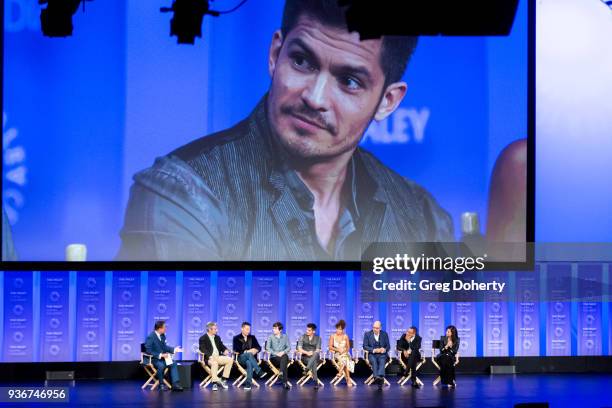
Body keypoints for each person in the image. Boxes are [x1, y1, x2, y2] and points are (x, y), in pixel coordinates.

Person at [117, 0, 454, 262]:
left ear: (388, 102)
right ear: (276, 54)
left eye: (349, 81)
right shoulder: (185, 194)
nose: (314, 97)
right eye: (302, 62)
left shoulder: (421, 214)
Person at [144, 320, 184, 391]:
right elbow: (148, 350)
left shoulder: (162, 335)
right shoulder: (150, 337)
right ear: (159, 328)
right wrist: (160, 355)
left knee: (173, 363)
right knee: (161, 365)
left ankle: (175, 384)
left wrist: (174, 349)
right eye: (164, 327)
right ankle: (161, 384)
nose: (166, 329)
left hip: (162, 358)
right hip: (153, 359)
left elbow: (164, 347)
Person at [199, 322, 233, 391]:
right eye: (215, 329)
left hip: (218, 357)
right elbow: (202, 349)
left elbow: (221, 346)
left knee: (230, 360)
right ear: (209, 329)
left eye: (216, 329)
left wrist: (225, 350)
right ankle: (214, 383)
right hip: (209, 358)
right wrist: (209, 356)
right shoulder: (203, 338)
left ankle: (223, 379)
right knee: (214, 363)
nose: (217, 330)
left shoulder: (217, 337)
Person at [232, 321, 267, 390]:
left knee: (249, 362)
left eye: (249, 329)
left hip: (251, 359)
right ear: (242, 329)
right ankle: (259, 371)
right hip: (241, 358)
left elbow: (259, 347)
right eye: (247, 329)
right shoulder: (236, 338)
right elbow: (236, 349)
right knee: (248, 354)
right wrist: (247, 351)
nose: (248, 331)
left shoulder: (252, 337)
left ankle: (248, 384)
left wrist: (255, 350)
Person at [363, 320, 390, 389]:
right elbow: (365, 346)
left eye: (377, 328)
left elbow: (388, 346)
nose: (375, 329)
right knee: (374, 361)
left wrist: (384, 349)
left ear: (380, 328)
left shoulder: (385, 334)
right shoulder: (367, 334)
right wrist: (374, 350)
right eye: (374, 327)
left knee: (382, 360)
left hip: (382, 354)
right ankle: (378, 378)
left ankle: (379, 377)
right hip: (372, 354)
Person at [265, 321, 292, 389]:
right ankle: (284, 382)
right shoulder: (270, 337)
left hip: (283, 357)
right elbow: (268, 348)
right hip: (274, 358)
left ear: (280, 330)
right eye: (273, 328)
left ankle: (281, 374)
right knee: (285, 359)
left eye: (275, 328)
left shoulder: (285, 336)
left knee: (284, 357)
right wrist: (276, 353)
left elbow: (288, 347)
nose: (273, 330)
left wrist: (283, 352)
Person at [328, 319, 353, 387]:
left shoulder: (345, 336)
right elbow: (330, 347)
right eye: (337, 329)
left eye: (340, 329)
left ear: (343, 330)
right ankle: (348, 379)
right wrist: (338, 350)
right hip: (336, 354)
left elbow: (348, 347)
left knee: (345, 357)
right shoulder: (332, 336)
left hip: (345, 353)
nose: (338, 331)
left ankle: (340, 372)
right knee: (345, 360)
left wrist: (344, 351)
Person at [297, 323, 322, 389]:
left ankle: (307, 369)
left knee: (316, 354)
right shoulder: (302, 336)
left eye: (309, 330)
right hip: (305, 357)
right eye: (307, 330)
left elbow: (318, 350)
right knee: (313, 362)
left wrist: (312, 353)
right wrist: (307, 352)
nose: (307, 331)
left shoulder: (318, 338)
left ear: (313, 331)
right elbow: (299, 348)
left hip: (315, 357)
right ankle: (315, 381)